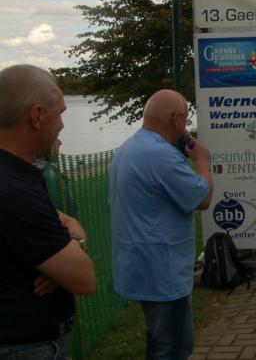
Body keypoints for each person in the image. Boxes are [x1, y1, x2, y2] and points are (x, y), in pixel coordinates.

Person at [0, 64, 96, 359]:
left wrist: (61, 249)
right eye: (61, 113)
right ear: (37, 115)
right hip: (27, 348)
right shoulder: (15, 191)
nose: (63, 126)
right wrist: (75, 242)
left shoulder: (16, 175)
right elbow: (84, 278)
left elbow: (61, 220)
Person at [109, 89, 213, 360]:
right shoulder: (161, 155)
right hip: (162, 271)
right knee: (172, 348)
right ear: (176, 119)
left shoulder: (128, 148)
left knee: (160, 342)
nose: (186, 126)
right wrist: (203, 161)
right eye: (185, 119)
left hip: (139, 264)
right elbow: (202, 198)